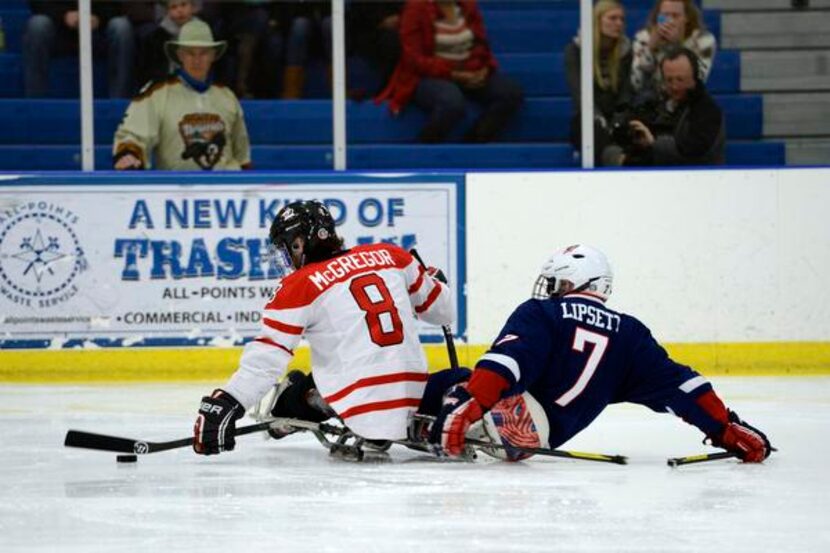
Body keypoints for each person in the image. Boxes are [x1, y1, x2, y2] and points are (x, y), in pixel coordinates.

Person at [429, 244, 773, 464]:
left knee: (452, 378)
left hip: (503, 415)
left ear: (576, 283)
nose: (550, 291)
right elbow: (683, 387)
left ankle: (380, 418)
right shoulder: (631, 335)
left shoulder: (543, 313)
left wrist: (471, 399)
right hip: (539, 439)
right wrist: (726, 428)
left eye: (556, 284)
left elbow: (509, 362)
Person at [193, 200, 454, 454]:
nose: (286, 257)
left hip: (360, 412)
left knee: (294, 393)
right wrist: (435, 284)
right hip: (413, 399)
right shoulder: (393, 255)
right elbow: (444, 313)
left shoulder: (299, 285)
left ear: (300, 242)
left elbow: (265, 360)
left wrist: (226, 402)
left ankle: (296, 405)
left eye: (287, 247)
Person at [375, 0, 524, 143]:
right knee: (452, 103)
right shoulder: (416, 8)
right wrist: (453, 74)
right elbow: (414, 60)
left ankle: (475, 144)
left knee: (510, 93)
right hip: (428, 75)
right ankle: (424, 150)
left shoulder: (468, 5)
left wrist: (484, 69)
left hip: (468, 69)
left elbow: (481, 43)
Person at [112, 19, 252, 171]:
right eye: (190, 53)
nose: (197, 60)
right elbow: (133, 135)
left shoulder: (227, 96)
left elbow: (242, 154)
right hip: (177, 190)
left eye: (203, 53)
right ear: (180, 55)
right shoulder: (157, 92)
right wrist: (129, 154)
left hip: (225, 191)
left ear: (213, 55)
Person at [606, 46, 725, 166]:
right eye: (669, 80)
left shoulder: (707, 110)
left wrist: (653, 142)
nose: (674, 86)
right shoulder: (657, 102)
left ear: (694, 78)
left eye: (680, 79)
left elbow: (693, 153)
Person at [564, 0, 632, 165]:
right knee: (591, 127)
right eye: (613, 18)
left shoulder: (626, 51)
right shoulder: (574, 51)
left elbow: (625, 93)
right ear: (597, 20)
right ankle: (617, 160)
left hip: (615, 116)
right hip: (587, 117)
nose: (619, 23)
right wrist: (600, 120)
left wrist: (618, 120)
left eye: (622, 19)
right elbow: (579, 94)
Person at [22, 0, 135, 98]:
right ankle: (35, 100)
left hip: (99, 32)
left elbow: (119, 5)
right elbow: (38, 3)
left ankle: (120, 104)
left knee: (122, 27)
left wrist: (99, 18)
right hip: (59, 30)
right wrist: (64, 15)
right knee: (37, 25)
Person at [630, 0, 716, 102]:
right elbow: (636, 84)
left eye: (675, 16)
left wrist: (678, 47)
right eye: (665, 16)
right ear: (657, 17)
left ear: (686, 18)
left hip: (687, 102)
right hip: (652, 102)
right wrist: (650, 50)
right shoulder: (643, 38)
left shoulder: (703, 40)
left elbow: (698, 81)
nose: (670, 21)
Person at [135, 0, 201, 88]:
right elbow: (151, 71)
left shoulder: (202, 31)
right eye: (174, 7)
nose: (180, 10)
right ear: (167, 12)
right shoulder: (157, 36)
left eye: (183, 5)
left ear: (193, 7)